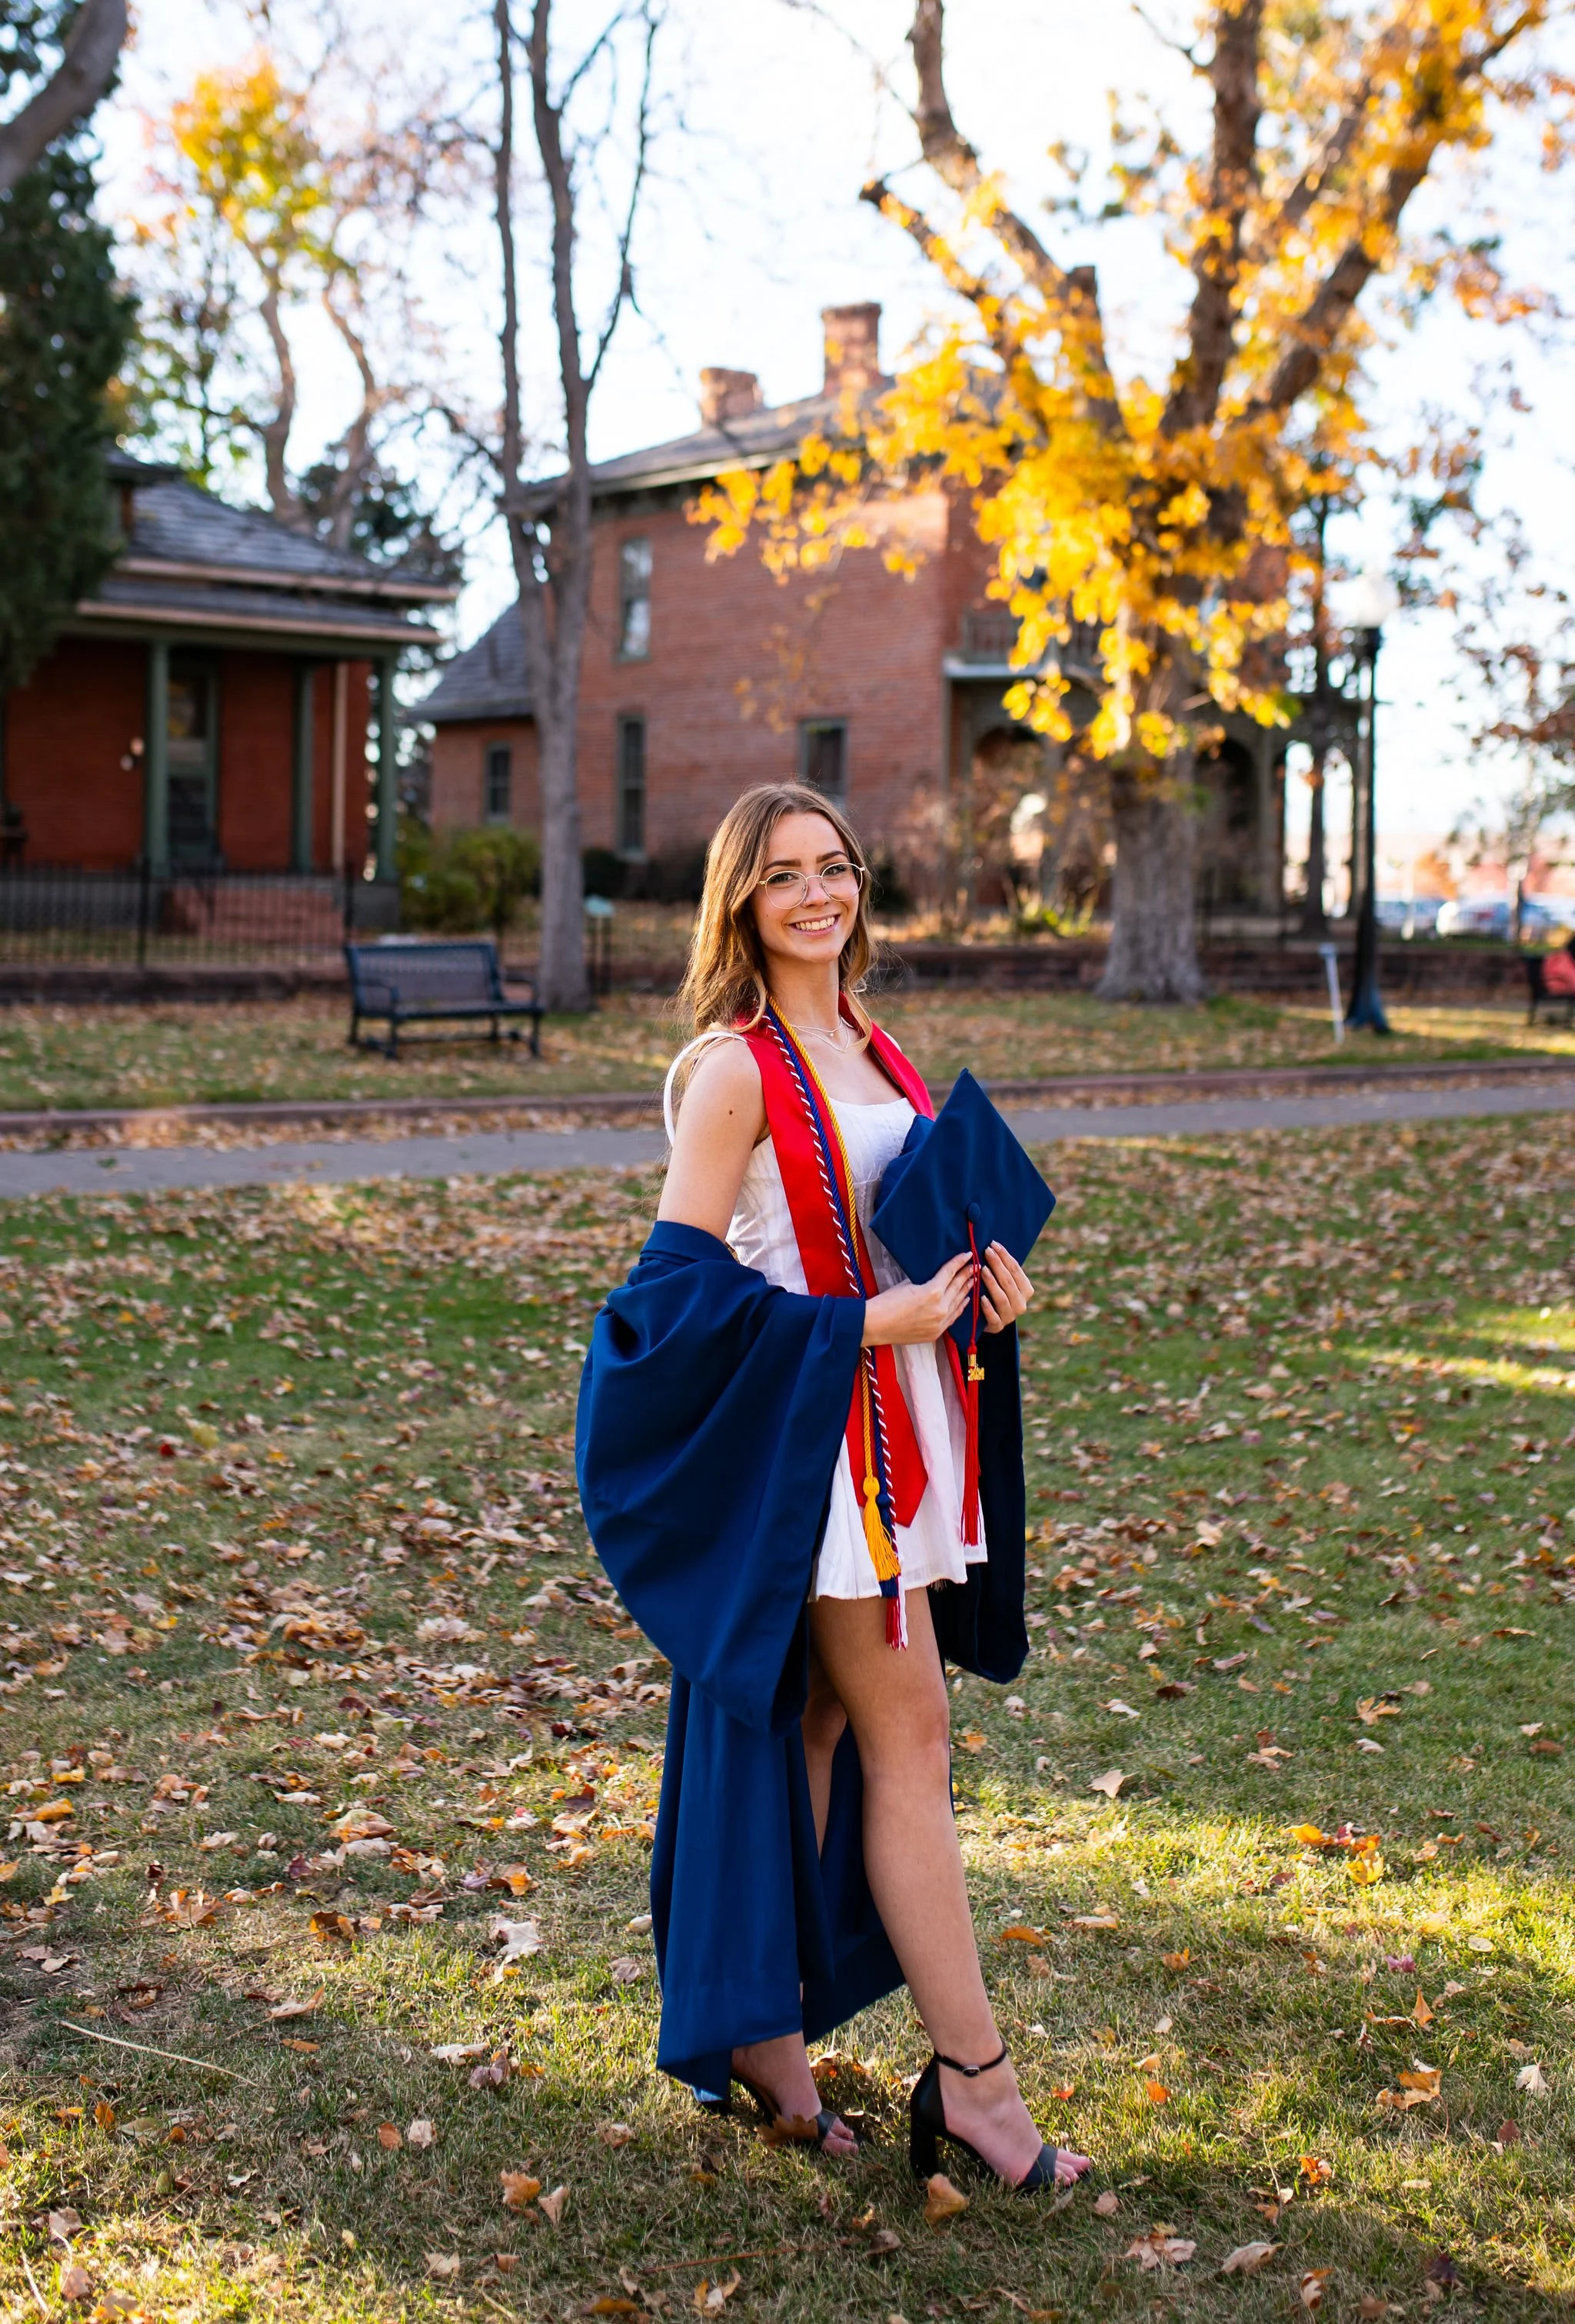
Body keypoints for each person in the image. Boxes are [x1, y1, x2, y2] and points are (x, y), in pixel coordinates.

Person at [577, 782, 1091, 2196]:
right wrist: (871, 1322)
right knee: (909, 1733)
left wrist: (985, 1292)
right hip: (825, 1458)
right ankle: (978, 2084)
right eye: (784, 874)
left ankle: (766, 2029)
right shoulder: (732, 1071)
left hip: (906, 1426)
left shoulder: (881, 1050)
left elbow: (912, 1236)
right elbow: (674, 1298)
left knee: (815, 1725)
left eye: (836, 866)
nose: (818, 894)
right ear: (740, 901)